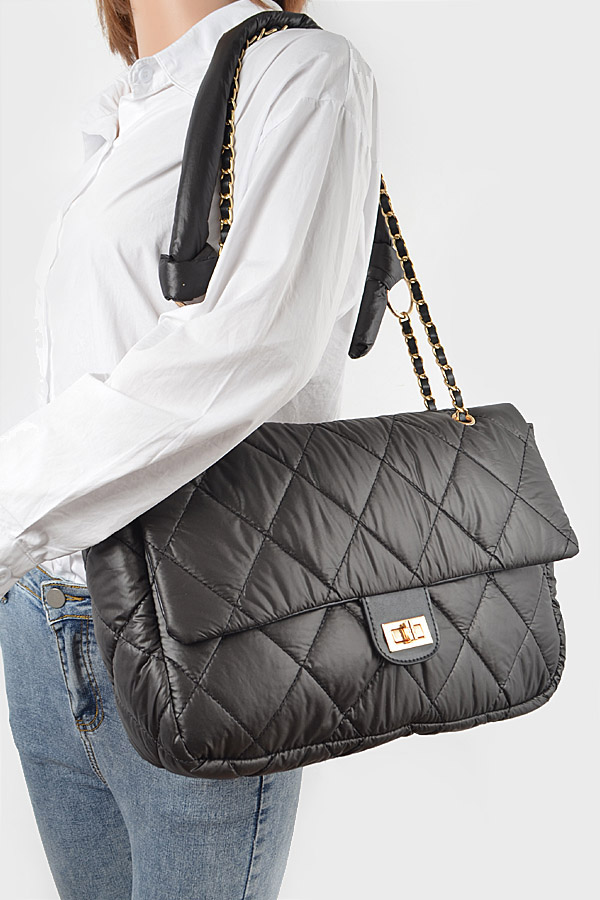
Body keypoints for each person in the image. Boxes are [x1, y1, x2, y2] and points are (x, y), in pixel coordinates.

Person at [0, 0, 381, 897]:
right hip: (44, 617)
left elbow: (253, 346)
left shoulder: (302, 73)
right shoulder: (126, 111)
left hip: (201, 622)